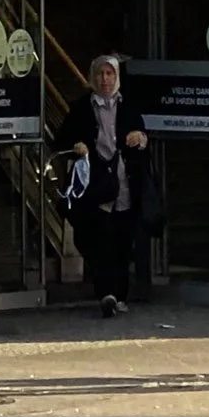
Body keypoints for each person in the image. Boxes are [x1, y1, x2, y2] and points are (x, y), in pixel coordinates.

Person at [55, 53, 149, 320]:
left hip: (124, 183)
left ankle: (120, 295)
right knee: (99, 239)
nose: (105, 79)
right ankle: (106, 293)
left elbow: (143, 138)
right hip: (95, 185)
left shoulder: (128, 106)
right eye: (100, 74)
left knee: (123, 240)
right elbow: (61, 141)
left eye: (109, 74)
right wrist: (76, 147)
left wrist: (139, 138)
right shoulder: (81, 108)